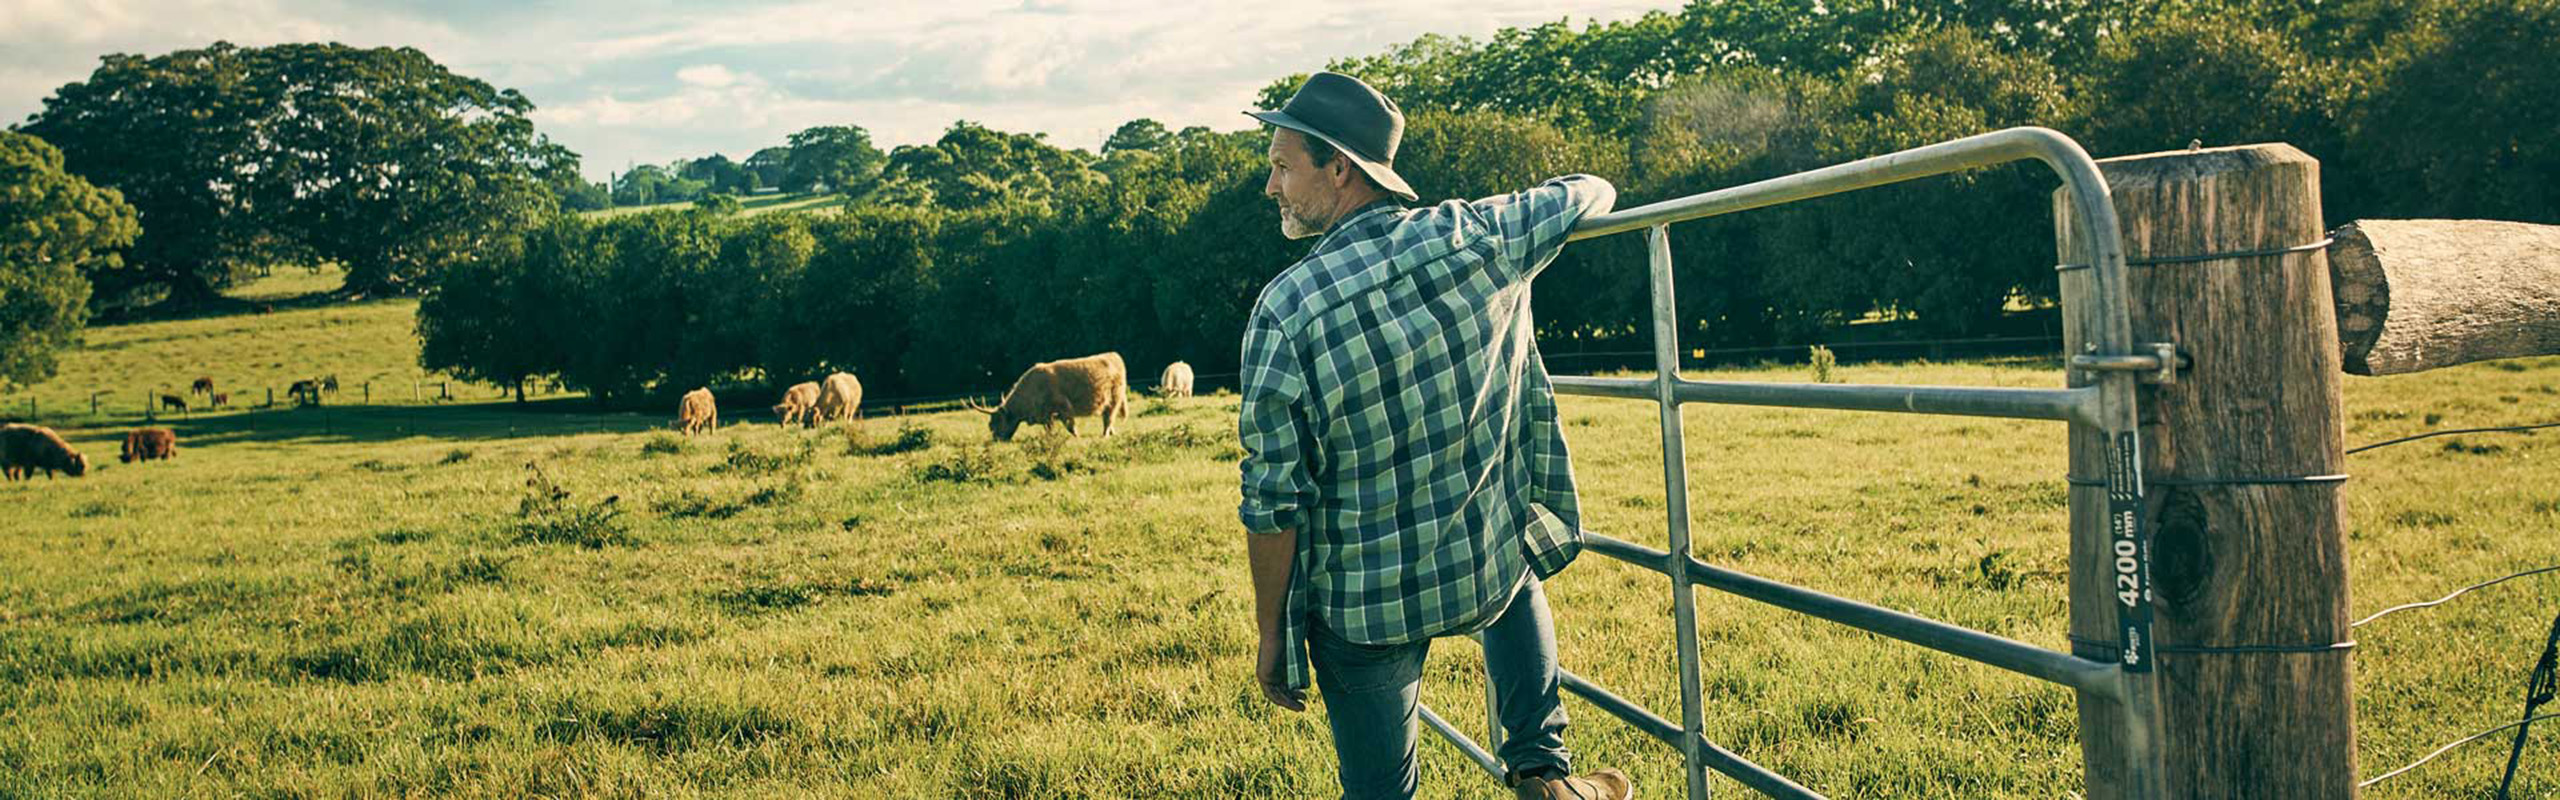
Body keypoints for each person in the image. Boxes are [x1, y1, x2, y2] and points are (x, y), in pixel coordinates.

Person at [1237, 71, 1631, 800]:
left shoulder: (1285, 309)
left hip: (1366, 609)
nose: (1271, 187)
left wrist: (1272, 638)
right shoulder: (1478, 232)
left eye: (1282, 166)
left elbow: (1272, 502)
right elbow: (1590, 189)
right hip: (1480, 569)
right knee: (1514, 568)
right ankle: (1543, 773)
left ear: (1339, 168)